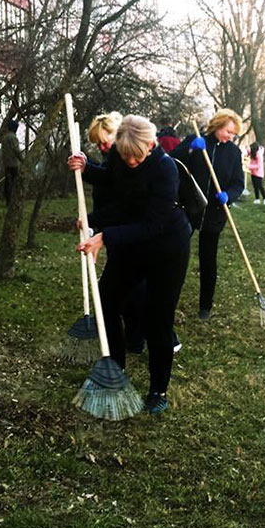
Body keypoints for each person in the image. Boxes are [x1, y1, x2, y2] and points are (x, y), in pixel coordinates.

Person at [68, 115, 191, 414]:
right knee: (107, 302)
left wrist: (105, 236)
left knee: (157, 320)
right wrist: (85, 170)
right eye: (125, 156)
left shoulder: (166, 169)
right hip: (132, 243)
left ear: (151, 145)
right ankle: (115, 370)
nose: (131, 162)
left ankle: (158, 390)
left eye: (136, 156)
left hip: (167, 247)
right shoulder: (122, 157)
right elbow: (116, 186)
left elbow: (153, 224)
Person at [172, 109, 245, 321]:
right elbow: (172, 160)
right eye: (228, 131)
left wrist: (228, 196)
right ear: (217, 126)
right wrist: (190, 149)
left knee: (208, 259)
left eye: (233, 134)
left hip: (214, 213)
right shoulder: (196, 141)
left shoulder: (233, 153)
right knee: (176, 256)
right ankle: (170, 297)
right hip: (188, 208)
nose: (230, 136)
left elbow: (238, 183)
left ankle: (205, 305)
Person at [2, 119, 24, 205]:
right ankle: (12, 201)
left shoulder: (5, 137)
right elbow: (16, 150)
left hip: (6, 163)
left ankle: (7, 200)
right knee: (14, 182)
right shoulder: (13, 138)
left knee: (7, 182)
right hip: (13, 164)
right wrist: (22, 160)